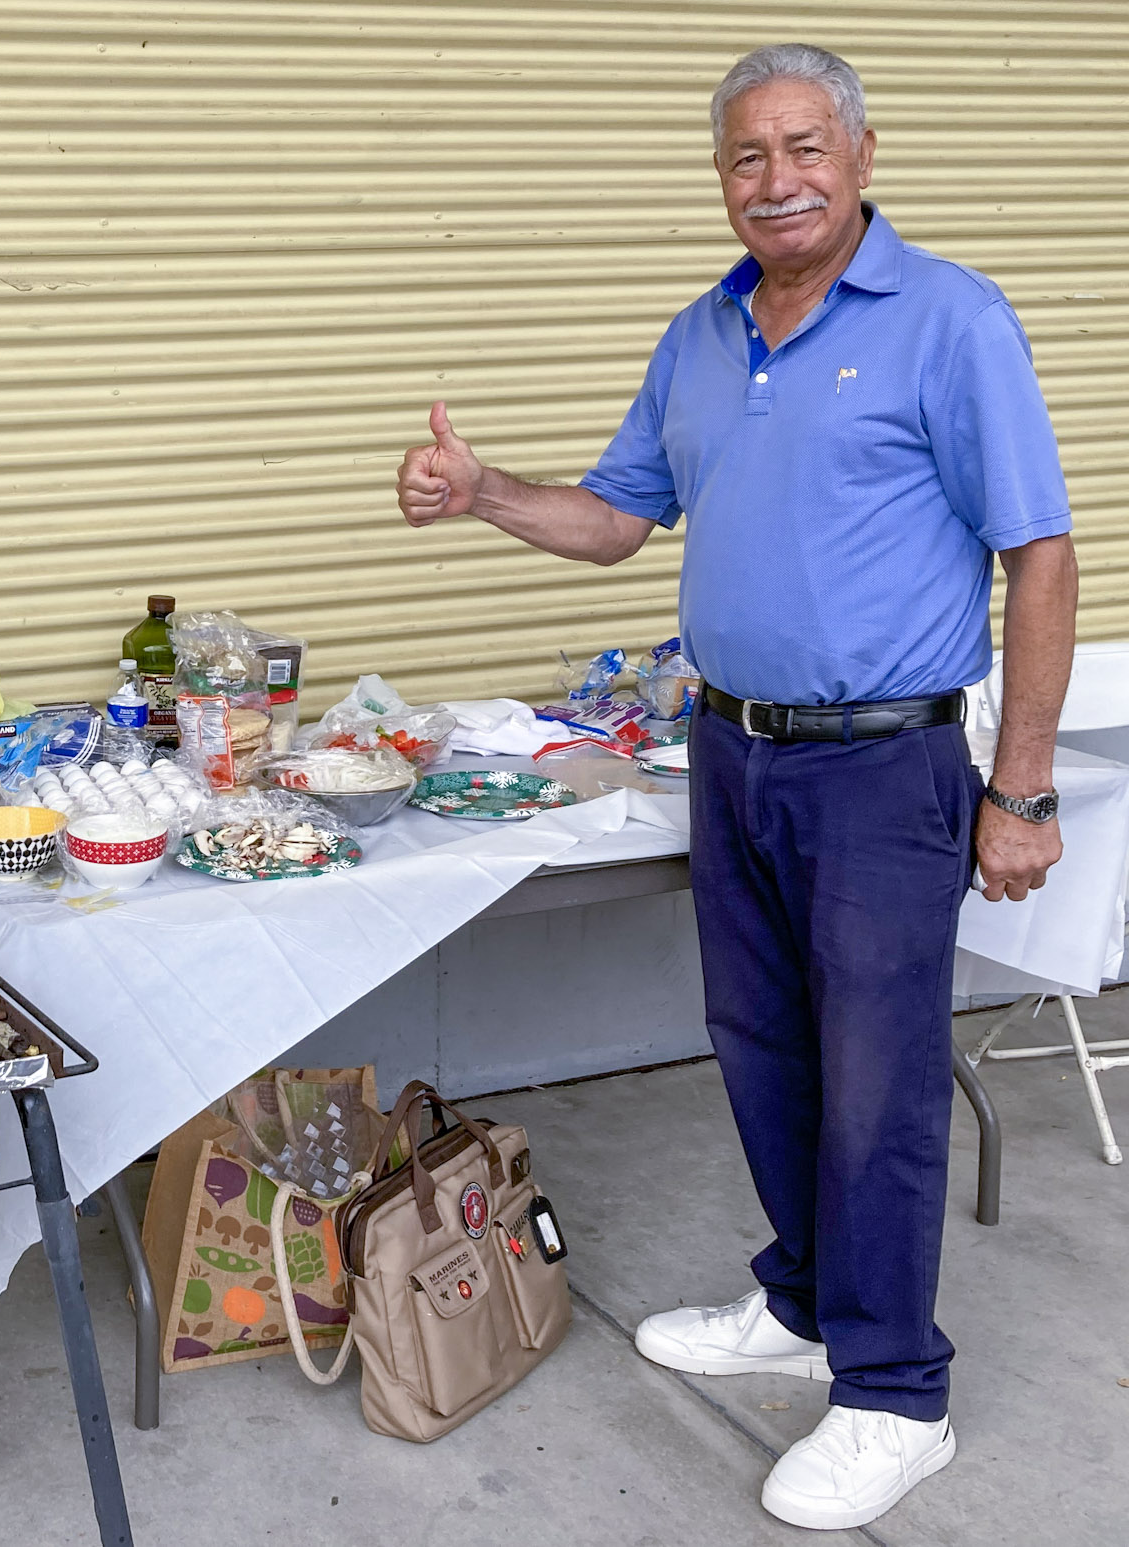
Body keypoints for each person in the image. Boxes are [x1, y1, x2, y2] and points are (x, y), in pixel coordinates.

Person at [396, 44, 1076, 1532]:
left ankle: (895, 1394)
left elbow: (1041, 556)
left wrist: (1021, 788)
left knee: (880, 1083)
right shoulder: (702, 334)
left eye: (804, 147)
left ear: (863, 156)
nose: (776, 180)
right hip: (731, 751)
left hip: (883, 764)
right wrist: (486, 492)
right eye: (746, 156)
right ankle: (808, 1303)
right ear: (720, 178)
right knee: (762, 1047)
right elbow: (616, 520)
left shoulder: (950, 320)